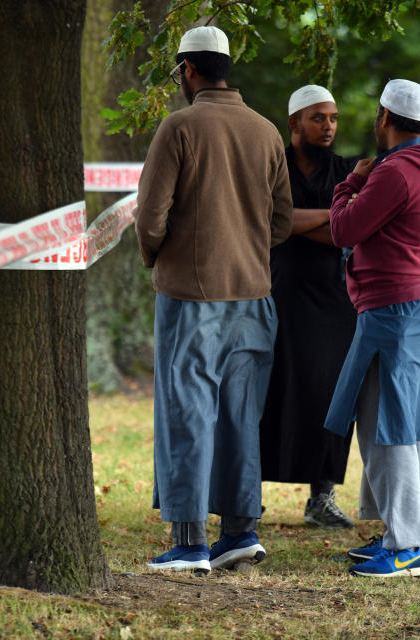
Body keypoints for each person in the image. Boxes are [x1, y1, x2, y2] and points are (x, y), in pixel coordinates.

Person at [134, 25, 293, 575]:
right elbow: (281, 222)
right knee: (240, 417)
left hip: (192, 297)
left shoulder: (179, 127)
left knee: (188, 413)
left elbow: (150, 217)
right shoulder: (267, 131)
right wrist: (246, 250)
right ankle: (240, 533)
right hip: (255, 296)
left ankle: (189, 542)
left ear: (188, 71)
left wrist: (157, 256)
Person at [324, 79, 420, 577]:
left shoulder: (395, 171)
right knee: (413, 426)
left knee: (387, 429)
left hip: (394, 309)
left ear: (384, 118)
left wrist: (350, 184)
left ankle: (406, 548)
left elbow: (344, 229)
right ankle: (410, 535)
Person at [259, 85, 360, 529]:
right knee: (266, 393)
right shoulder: (271, 165)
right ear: (294, 122)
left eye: (333, 118)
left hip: (332, 302)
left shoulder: (346, 170)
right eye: (318, 118)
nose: (328, 126)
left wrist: (295, 220)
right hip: (275, 294)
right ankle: (248, 493)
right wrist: (327, 216)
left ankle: (322, 496)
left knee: (328, 396)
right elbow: (264, 224)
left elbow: (349, 231)